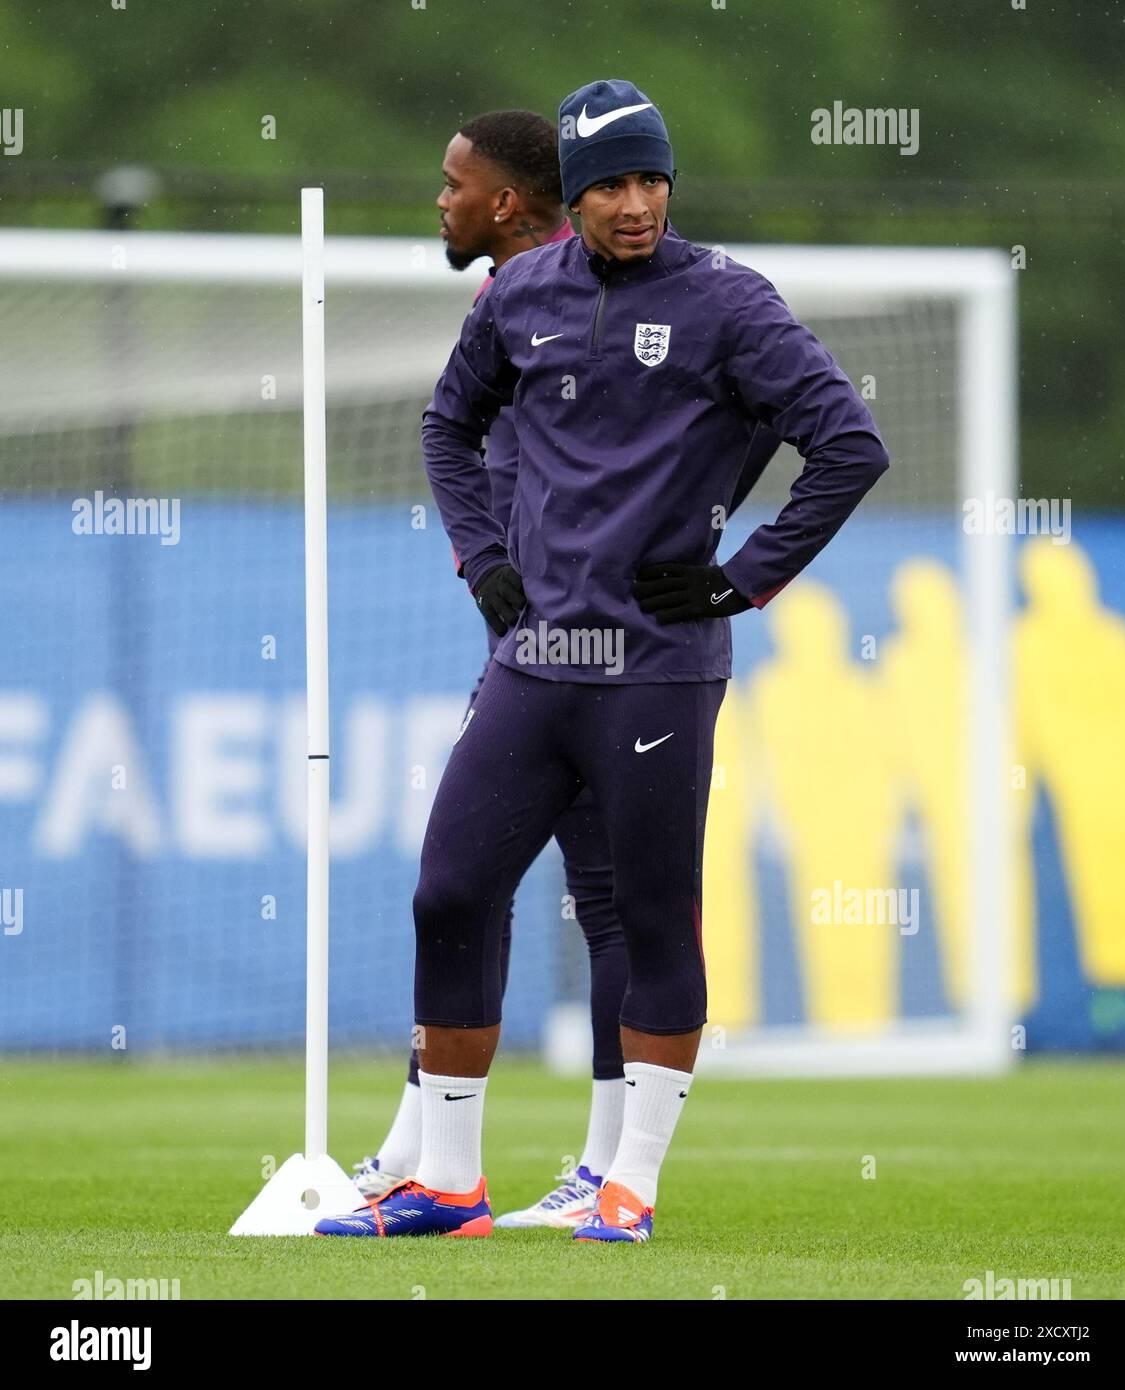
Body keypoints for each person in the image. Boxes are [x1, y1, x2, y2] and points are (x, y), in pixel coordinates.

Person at [318, 77, 887, 1243]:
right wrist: (480, 550)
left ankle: (627, 1181)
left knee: (654, 922)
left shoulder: (730, 302)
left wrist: (744, 576)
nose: (636, 204)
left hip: (656, 667)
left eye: (651, 179)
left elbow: (848, 442)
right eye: (612, 184)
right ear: (569, 197)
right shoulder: (519, 292)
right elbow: (446, 422)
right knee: (451, 893)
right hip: (537, 660)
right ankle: (450, 1183)